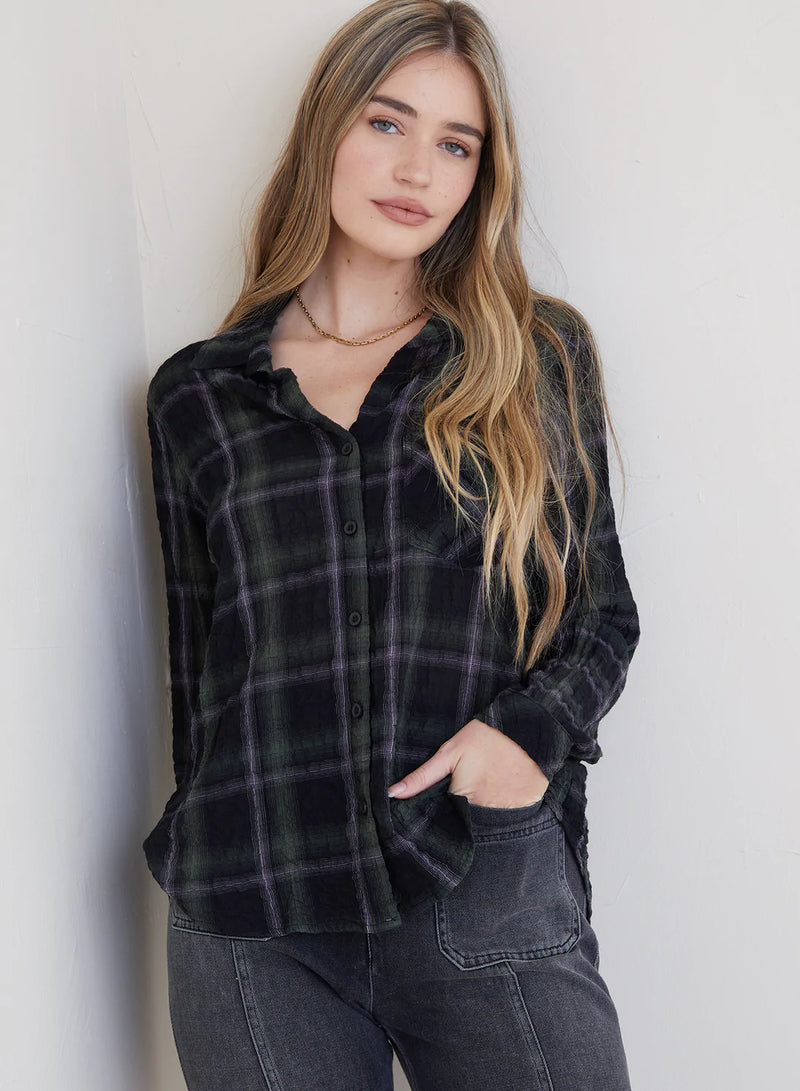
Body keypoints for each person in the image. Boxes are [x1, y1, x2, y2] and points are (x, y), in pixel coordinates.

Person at [142, 1, 641, 1087]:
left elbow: (601, 615)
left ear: (479, 176)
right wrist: (200, 827)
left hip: (479, 875)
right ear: (326, 129)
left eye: (455, 145)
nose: (417, 168)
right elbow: (201, 670)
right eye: (386, 122)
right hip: (255, 913)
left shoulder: (533, 357)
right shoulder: (199, 396)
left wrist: (520, 745)